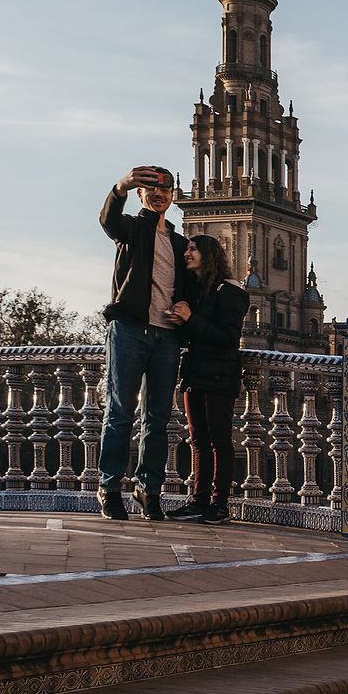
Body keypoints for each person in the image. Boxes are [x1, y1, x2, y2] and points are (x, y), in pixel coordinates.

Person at [96, 166, 194, 521]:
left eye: (165, 190)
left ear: (173, 196)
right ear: (141, 195)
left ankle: (149, 489)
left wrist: (187, 307)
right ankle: (109, 487)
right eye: (151, 190)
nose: (159, 195)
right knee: (120, 412)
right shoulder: (132, 229)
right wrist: (120, 185)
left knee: (157, 418)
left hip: (166, 336)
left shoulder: (181, 243)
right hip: (130, 329)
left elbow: (194, 287)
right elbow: (108, 220)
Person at [165, 235, 248, 524]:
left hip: (219, 375)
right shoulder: (199, 291)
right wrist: (180, 322)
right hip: (195, 375)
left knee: (219, 441)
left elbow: (227, 338)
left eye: (192, 248)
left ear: (209, 254)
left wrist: (191, 319)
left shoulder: (230, 292)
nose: (186, 253)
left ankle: (219, 504)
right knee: (198, 440)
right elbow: (195, 334)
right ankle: (199, 501)